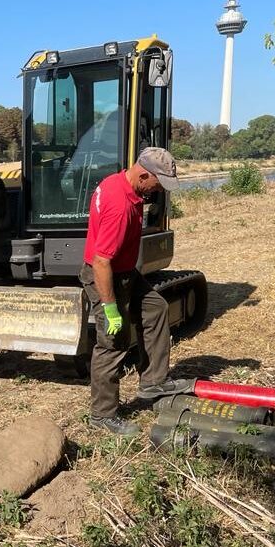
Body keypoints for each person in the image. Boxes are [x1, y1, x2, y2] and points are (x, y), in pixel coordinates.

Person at [79, 147, 192, 436]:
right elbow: (101, 261)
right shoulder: (120, 206)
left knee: (155, 308)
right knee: (113, 342)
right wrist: (111, 308)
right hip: (106, 276)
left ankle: (152, 381)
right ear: (144, 175)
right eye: (158, 184)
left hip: (125, 272)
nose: (159, 190)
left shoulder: (119, 184)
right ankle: (102, 415)